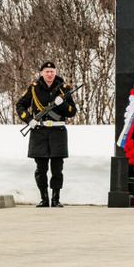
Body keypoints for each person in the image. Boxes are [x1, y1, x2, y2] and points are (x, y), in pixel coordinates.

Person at [16, 61, 78, 207]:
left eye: (52, 71)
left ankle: (56, 199)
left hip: (58, 132)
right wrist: (29, 119)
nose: (49, 74)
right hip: (39, 132)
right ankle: (44, 198)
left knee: (57, 168)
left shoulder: (63, 90)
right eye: (46, 71)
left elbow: (72, 112)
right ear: (41, 73)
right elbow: (20, 105)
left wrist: (62, 103)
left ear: (55, 73)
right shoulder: (33, 89)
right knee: (41, 168)